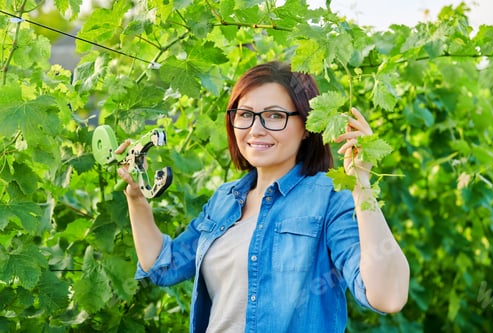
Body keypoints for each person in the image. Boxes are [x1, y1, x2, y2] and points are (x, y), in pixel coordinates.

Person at [116, 61, 410, 332]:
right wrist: (136, 197)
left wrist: (361, 184)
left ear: (307, 126)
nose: (256, 129)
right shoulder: (224, 200)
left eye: (274, 116)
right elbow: (163, 266)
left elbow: (387, 296)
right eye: (245, 115)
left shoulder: (330, 199)